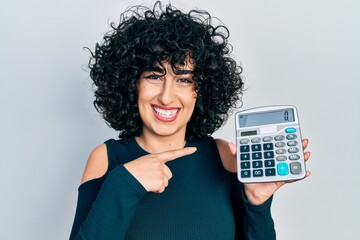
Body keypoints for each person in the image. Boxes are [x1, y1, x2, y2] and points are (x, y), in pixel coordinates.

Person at [69, 1, 311, 239]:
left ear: (202, 89)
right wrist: (123, 184)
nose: (166, 96)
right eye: (154, 76)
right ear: (132, 83)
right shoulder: (105, 159)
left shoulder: (223, 156)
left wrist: (257, 204)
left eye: (184, 79)